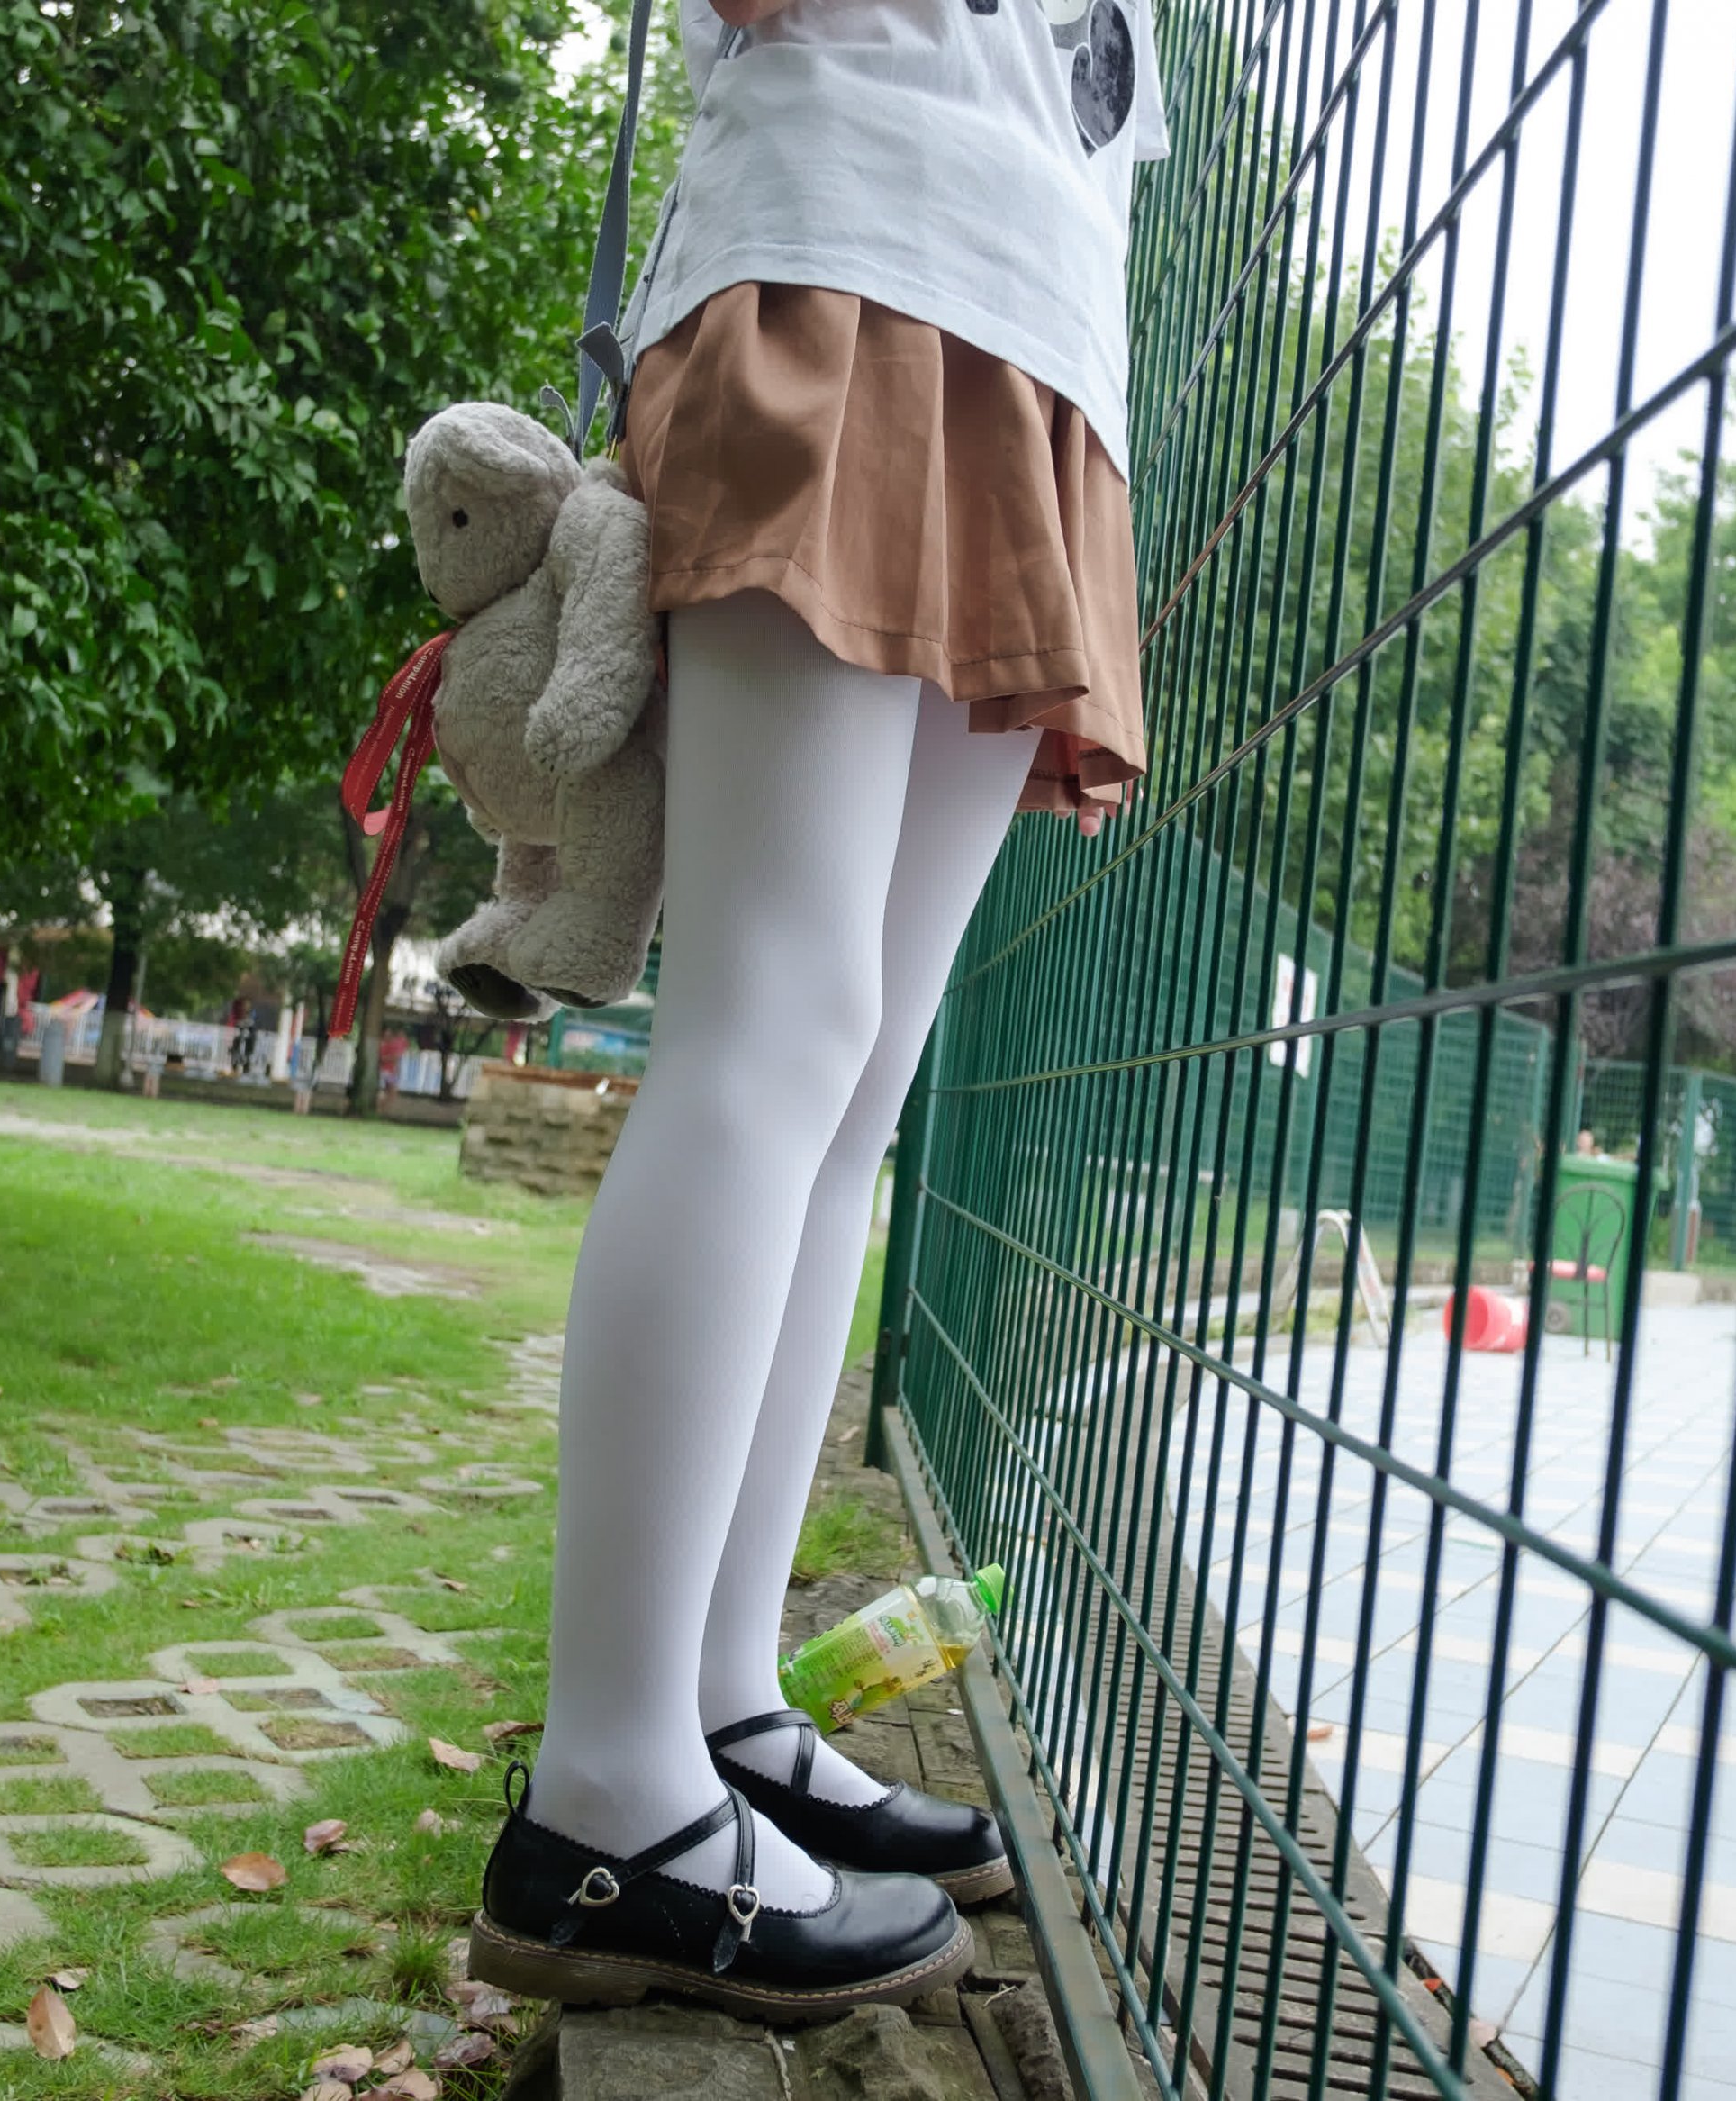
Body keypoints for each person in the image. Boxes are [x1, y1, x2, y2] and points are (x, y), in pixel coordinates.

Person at [468, 0, 1168, 2019]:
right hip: (849, 259)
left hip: (1039, 340)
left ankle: (710, 1703)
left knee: (852, 1088)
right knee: (771, 1033)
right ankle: (607, 1798)